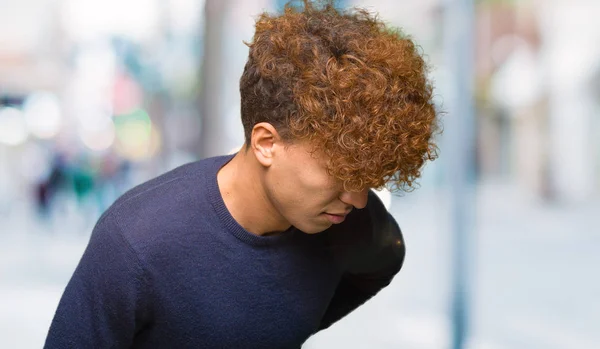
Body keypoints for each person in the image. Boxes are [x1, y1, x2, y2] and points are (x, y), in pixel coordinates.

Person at [44, 0, 440, 348]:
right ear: (267, 142)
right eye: (341, 171)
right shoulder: (137, 241)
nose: (356, 199)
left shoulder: (354, 224)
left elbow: (384, 261)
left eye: (365, 176)